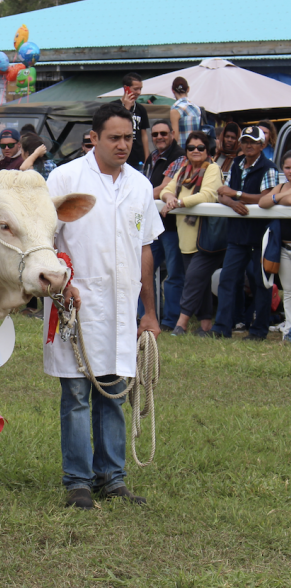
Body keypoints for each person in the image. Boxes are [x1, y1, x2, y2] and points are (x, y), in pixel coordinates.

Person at [43, 103, 163, 509]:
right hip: (74, 303)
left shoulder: (141, 186)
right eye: (114, 138)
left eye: (128, 137)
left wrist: (149, 312)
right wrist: (62, 284)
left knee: (114, 391)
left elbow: (145, 249)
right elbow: (44, 242)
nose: (123, 145)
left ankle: (112, 477)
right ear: (94, 137)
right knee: (76, 393)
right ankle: (77, 479)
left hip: (121, 308)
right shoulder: (65, 178)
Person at [210, 126, 280, 340]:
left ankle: (259, 330)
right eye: (245, 141)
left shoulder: (269, 168)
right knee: (228, 280)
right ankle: (221, 327)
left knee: (261, 283)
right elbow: (222, 193)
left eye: (253, 141)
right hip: (237, 235)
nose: (248, 145)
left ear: (262, 145)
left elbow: (266, 198)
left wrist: (236, 194)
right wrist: (232, 201)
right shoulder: (238, 165)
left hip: (260, 236)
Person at [159, 131, 223, 336]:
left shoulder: (213, 169)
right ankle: (205, 326)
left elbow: (207, 195)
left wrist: (178, 202)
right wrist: (170, 198)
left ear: (208, 150)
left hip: (207, 237)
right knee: (199, 282)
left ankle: (181, 324)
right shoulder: (183, 170)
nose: (195, 151)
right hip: (186, 236)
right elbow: (165, 189)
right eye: (191, 148)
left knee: (194, 279)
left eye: (200, 147)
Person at [142, 119, 185, 330]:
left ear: (173, 133)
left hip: (173, 226)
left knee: (174, 275)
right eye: (155, 134)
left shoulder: (180, 156)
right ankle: (143, 317)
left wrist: (138, 198)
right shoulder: (152, 156)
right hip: (154, 225)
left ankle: (170, 321)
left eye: (163, 133)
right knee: (144, 272)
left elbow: (163, 188)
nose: (159, 137)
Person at [258, 151, 291, 342]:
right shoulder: (281, 186)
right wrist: (282, 196)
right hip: (284, 249)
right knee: (288, 291)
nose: (290, 171)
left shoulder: (280, 189)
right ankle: (289, 331)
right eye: (287, 167)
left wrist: (278, 198)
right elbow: (263, 202)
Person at [111, 72, 150, 170]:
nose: (138, 92)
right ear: (126, 88)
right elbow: (114, 127)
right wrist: (126, 108)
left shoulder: (141, 109)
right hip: (118, 155)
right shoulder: (113, 106)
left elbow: (144, 134)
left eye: (140, 89)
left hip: (137, 157)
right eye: (135, 89)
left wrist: (147, 157)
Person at [169, 77, 201, 150]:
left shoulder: (175, 110)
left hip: (182, 152)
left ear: (172, 90)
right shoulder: (197, 109)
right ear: (188, 89)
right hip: (196, 150)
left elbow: (175, 136)